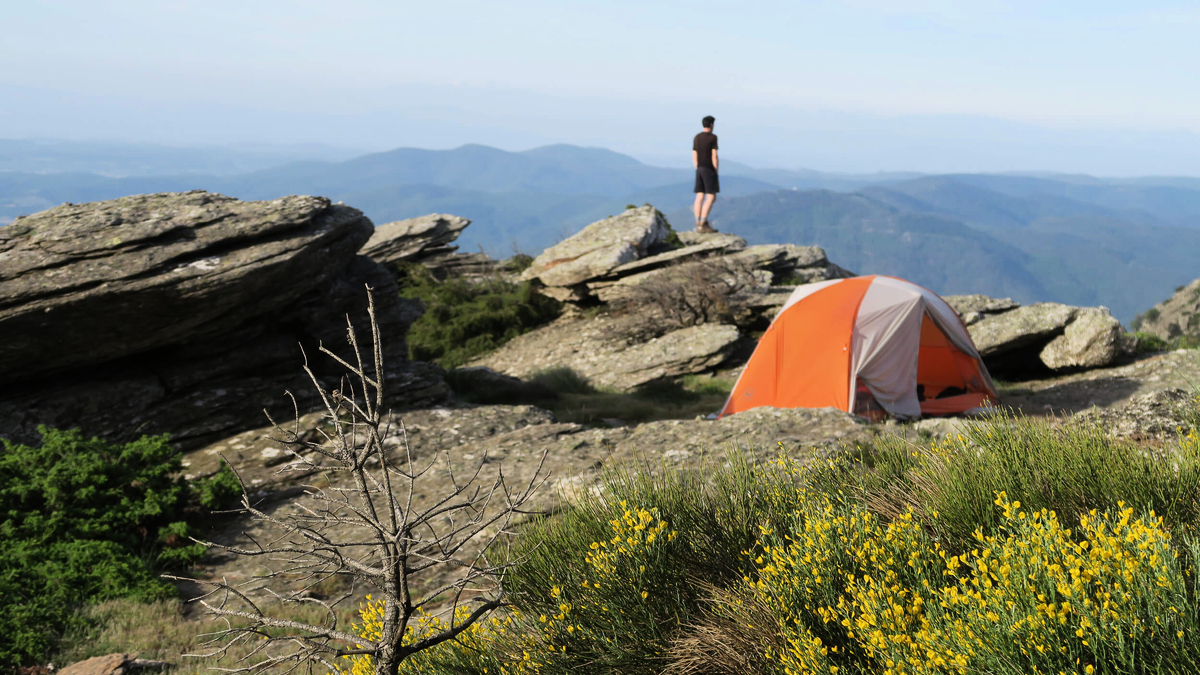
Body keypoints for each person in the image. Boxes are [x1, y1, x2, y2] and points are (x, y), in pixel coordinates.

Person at [692, 115, 719, 233]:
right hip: (709, 168)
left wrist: (697, 167)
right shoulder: (713, 138)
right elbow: (714, 155)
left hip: (699, 168)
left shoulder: (697, 137)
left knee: (699, 195)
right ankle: (703, 222)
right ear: (711, 125)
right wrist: (716, 170)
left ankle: (697, 222)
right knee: (711, 196)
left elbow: (694, 154)